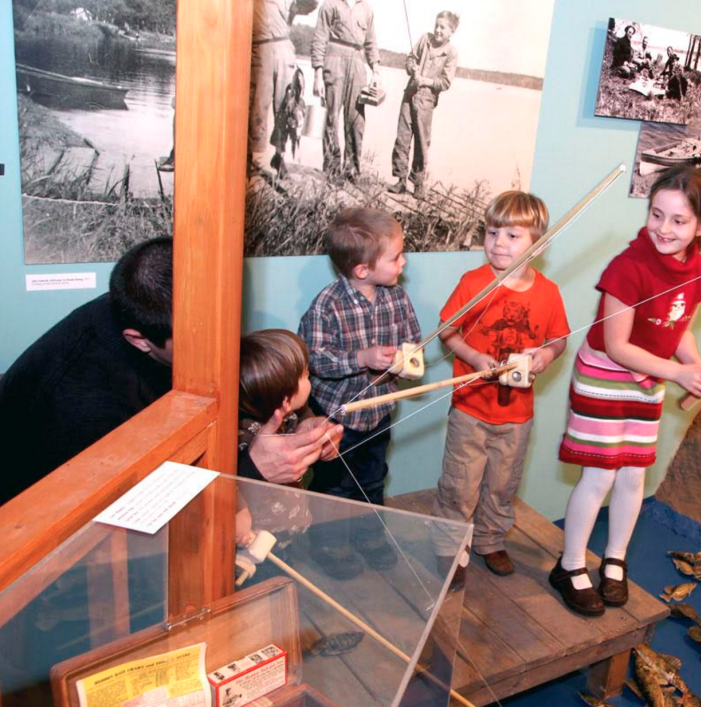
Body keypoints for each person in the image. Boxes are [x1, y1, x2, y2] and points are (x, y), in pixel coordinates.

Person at [0, 238, 339, 505]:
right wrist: (250, 470)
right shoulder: (88, 405)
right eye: (201, 340)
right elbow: (128, 508)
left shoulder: (160, 308)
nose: (223, 347)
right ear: (140, 341)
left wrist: (306, 419)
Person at [552, 166, 701, 616]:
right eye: (656, 214)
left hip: (650, 377)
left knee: (634, 474)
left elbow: (675, 327)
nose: (664, 228)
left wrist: (696, 366)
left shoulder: (699, 270)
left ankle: (615, 559)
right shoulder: (627, 268)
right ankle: (569, 565)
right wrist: (678, 373)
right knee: (602, 473)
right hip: (606, 376)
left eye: (679, 221)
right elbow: (617, 344)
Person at [430, 192, 569, 590]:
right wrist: (474, 357)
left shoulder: (548, 292)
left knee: (502, 483)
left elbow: (559, 340)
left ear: (537, 244)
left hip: (517, 414)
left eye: (512, 235)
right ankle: (449, 544)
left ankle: (490, 540)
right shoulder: (472, 283)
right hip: (471, 407)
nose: (498, 243)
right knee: (460, 481)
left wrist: (545, 356)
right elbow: (447, 331)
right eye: (492, 232)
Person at [298, 208, 422, 580]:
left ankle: (369, 536)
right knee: (333, 485)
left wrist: (405, 360)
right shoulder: (327, 305)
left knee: (372, 477)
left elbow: (413, 341)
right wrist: (361, 359)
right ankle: (329, 543)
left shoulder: (396, 298)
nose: (404, 261)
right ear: (363, 270)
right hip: (335, 415)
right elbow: (314, 360)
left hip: (377, 414)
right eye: (395, 256)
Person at [235, 329, 317, 550]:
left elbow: (301, 413)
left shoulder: (290, 413)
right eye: (306, 375)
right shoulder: (247, 438)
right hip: (260, 542)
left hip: (289, 525)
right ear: (286, 399)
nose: (311, 377)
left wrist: (309, 424)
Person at [390, 11, 459, 199]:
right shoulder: (424, 39)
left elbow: (445, 82)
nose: (437, 30)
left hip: (427, 101)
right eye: (436, 25)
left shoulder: (451, 53)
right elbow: (410, 58)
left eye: (442, 27)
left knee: (422, 142)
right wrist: (412, 67)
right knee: (402, 137)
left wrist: (426, 81)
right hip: (409, 93)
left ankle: (418, 183)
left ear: (451, 31)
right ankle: (400, 180)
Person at [249, 0, 316, 182]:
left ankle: (280, 156)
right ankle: (255, 160)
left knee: (286, 107)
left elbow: (310, 5)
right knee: (257, 106)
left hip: (284, 47)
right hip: (258, 47)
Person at [311, 0, 379, 180]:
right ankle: (332, 169)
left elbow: (371, 43)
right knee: (331, 117)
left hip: (357, 62)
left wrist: (376, 72)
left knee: (356, 120)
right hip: (334, 59)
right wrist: (318, 72)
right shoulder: (330, 4)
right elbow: (319, 37)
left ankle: (352, 170)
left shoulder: (366, 9)